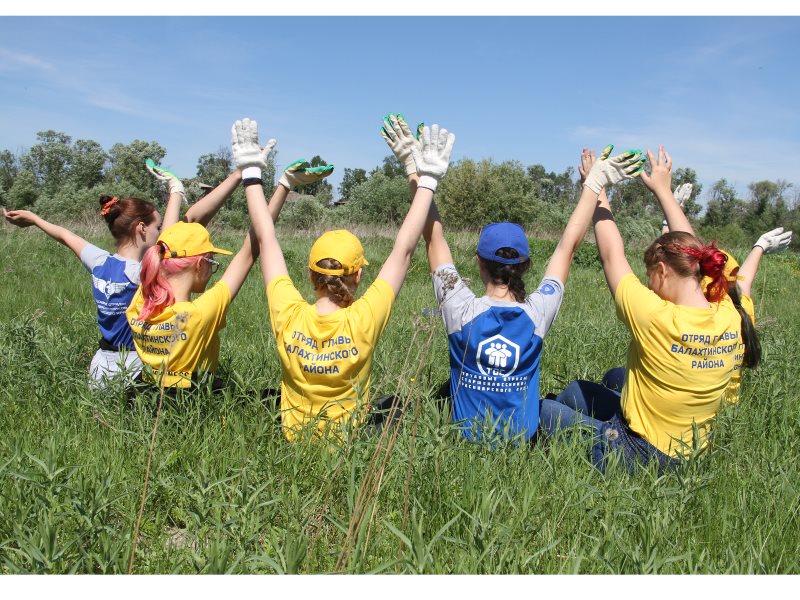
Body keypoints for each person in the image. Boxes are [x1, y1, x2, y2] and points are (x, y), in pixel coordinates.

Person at [379, 114, 645, 444]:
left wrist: (415, 172)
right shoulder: (538, 313)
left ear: (479, 262)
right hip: (520, 442)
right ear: (525, 265)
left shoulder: (459, 309)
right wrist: (594, 185)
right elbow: (567, 247)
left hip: (467, 442)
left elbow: (433, 238)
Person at [234, 117, 455, 440]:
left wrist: (252, 173)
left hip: (294, 440)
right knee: (397, 405)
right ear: (359, 275)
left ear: (310, 274)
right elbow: (404, 249)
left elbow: (266, 239)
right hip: (348, 445)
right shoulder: (363, 320)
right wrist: (427, 178)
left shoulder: (289, 314)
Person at [540, 146, 744, 473]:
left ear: (663, 270)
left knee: (545, 411)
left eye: (651, 276)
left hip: (638, 449)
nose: (649, 286)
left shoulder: (657, 317)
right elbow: (693, 250)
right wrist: (663, 190)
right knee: (577, 391)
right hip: (690, 450)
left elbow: (610, 253)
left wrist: (598, 188)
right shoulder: (726, 313)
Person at [126, 144, 334, 392]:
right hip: (191, 400)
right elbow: (251, 249)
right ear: (200, 264)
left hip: (146, 394)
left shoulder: (139, 305)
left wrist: (178, 190)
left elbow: (168, 240)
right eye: (212, 263)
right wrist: (283, 186)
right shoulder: (198, 314)